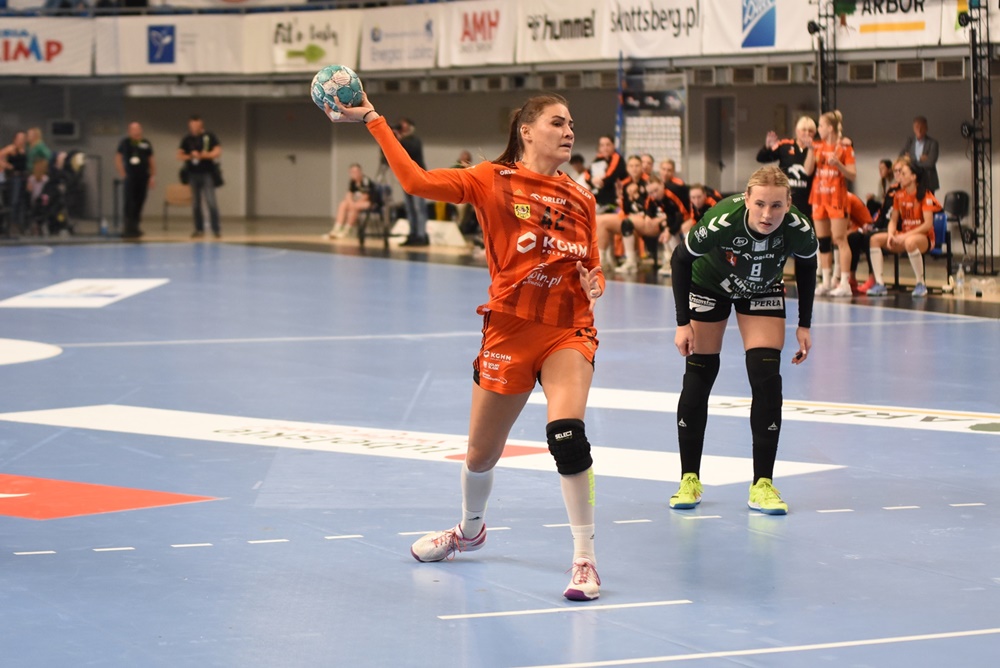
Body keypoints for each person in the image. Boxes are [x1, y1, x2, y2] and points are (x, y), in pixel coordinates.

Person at [325, 92, 606, 601]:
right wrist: (373, 119)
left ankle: (585, 559)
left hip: (567, 329)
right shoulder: (489, 179)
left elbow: (593, 262)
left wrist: (595, 282)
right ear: (526, 131)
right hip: (508, 331)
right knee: (480, 454)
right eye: (557, 122)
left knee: (567, 434)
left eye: (571, 123)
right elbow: (416, 182)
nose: (569, 131)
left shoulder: (582, 196)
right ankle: (470, 530)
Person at [668, 165, 818, 515]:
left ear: (789, 203)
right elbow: (680, 259)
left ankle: (762, 485)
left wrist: (804, 324)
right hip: (710, 285)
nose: (767, 214)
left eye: (777, 205)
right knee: (699, 376)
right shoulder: (722, 220)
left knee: (767, 380)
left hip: (761, 288)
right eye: (760, 204)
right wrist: (682, 323)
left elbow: (808, 266)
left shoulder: (799, 227)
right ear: (747, 199)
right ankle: (689, 479)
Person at [865, 157, 942, 298]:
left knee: (910, 242)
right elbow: (893, 220)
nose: (899, 176)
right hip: (904, 235)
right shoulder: (899, 195)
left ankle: (920, 284)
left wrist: (904, 236)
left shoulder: (925, 195)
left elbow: (927, 224)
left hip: (924, 238)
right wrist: (891, 234)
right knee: (875, 239)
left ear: (913, 177)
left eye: (903, 173)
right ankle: (880, 284)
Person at [805, 110, 856, 297]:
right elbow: (807, 170)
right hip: (819, 197)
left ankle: (844, 283)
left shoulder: (845, 147)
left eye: (820, 125)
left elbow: (852, 174)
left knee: (840, 239)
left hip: (837, 197)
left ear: (830, 128)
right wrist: (810, 149)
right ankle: (826, 281)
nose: (818, 129)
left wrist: (839, 165)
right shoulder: (817, 146)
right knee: (823, 241)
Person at [756, 115, 816, 218]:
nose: (807, 133)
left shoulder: (817, 148)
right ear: (797, 130)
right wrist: (767, 147)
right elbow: (761, 158)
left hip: (808, 197)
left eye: (810, 131)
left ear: (814, 133)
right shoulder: (785, 145)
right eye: (804, 130)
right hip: (787, 194)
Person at [177, 115, 222, 239]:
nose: (194, 128)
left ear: (201, 125)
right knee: (196, 203)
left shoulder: (209, 137)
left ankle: (216, 229)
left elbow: (217, 152)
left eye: (196, 125)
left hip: (207, 173)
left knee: (211, 201)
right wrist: (191, 156)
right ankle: (198, 229)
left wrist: (203, 156)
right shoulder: (187, 139)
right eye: (191, 125)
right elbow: (179, 155)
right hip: (193, 174)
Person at [115, 122, 155, 240]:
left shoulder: (145, 143)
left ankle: (136, 227)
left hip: (143, 176)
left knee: (139, 201)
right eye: (133, 129)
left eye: (137, 129)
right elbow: (118, 158)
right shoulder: (125, 143)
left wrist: (152, 176)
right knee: (129, 202)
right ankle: (128, 227)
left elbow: (151, 160)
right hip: (130, 177)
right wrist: (123, 173)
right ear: (129, 131)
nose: (136, 131)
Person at [396, 117, 430, 247]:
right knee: (409, 208)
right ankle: (412, 234)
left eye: (404, 126)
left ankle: (421, 235)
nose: (402, 128)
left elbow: (411, 150)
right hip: (406, 177)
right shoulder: (399, 141)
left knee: (419, 208)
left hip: (418, 177)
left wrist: (400, 139)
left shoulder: (415, 141)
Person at [324, 163, 374, 239]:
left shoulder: (366, 181)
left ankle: (346, 230)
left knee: (355, 207)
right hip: (356, 202)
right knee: (343, 204)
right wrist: (350, 203)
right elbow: (348, 194)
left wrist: (353, 204)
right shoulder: (353, 182)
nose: (354, 174)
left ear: (360, 171)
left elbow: (366, 196)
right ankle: (337, 228)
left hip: (369, 203)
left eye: (356, 171)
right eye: (352, 172)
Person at [899, 116, 939, 193]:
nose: (919, 130)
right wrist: (918, 158)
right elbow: (901, 158)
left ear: (926, 128)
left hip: (928, 181)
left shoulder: (933, 143)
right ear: (913, 128)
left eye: (922, 127)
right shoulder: (909, 141)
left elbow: (930, 163)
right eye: (917, 127)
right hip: (912, 181)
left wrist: (910, 160)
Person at [589, 135, 627, 214]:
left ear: (613, 145)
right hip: (599, 199)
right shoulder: (598, 159)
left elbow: (611, 177)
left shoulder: (618, 158)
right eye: (602, 145)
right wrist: (591, 180)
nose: (605, 148)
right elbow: (587, 174)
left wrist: (600, 181)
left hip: (615, 201)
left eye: (608, 145)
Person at [0, 131, 28, 236]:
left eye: (23, 139)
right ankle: (12, 224)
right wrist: (8, 166)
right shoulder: (11, 149)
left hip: (23, 177)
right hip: (14, 177)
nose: (21, 141)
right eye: (19, 138)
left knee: (22, 202)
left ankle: (20, 224)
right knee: (14, 201)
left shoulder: (24, 150)